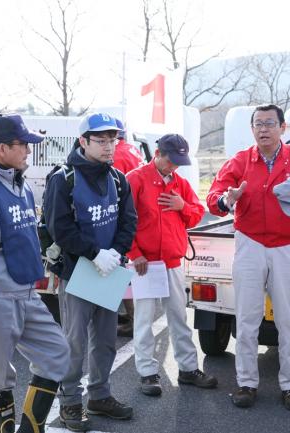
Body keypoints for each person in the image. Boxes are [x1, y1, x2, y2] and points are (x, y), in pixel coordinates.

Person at [207, 104, 290, 411]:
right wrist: (227, 199)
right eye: (258, 124)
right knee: (247, 319)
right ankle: (246, 383)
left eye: (269, 123)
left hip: (286, 247)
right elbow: (214, 198)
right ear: (252, 130)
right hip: (249, 245)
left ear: (283, 127)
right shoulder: (239, 161)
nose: (263, 129)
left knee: (288, 319)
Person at [0, 113, 71, 433]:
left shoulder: (23, 185)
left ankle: (31, 428)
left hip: (28, 291)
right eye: (23, 144)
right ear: (1, 149)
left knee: (57, 353)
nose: (29, 150)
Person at [43, 112, 137, 432]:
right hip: (77, 270)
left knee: (107, 340)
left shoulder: (118, 179)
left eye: (113, 139)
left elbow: (129, 221)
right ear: (82, 142)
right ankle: (70, 401)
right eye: (101, 140)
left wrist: (116, 253)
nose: (109, 146)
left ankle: (99, 394)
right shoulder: (63, 177)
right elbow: (60, 227)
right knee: (75, 342)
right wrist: (95, 253)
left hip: (109, 269)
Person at [127, 133, 218, 396]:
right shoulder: (136, 179)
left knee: (179, 316)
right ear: (158, 154)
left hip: (173, 261)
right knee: (144, 319)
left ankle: (188, 369)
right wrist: (135, 253)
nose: (175, 166)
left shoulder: (180, 183)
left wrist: (182, 206)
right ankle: (147, 373)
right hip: (145, 263)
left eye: (179, 161)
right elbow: (124, 221)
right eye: (172, 160)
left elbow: (196, 215)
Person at [112, 117, 144, 338]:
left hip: (121, 213)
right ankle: (133, 316)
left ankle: (133, 319)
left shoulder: (115, 154)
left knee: (118, 268)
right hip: (136, 212)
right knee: (125, 267)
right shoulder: (132, 150)